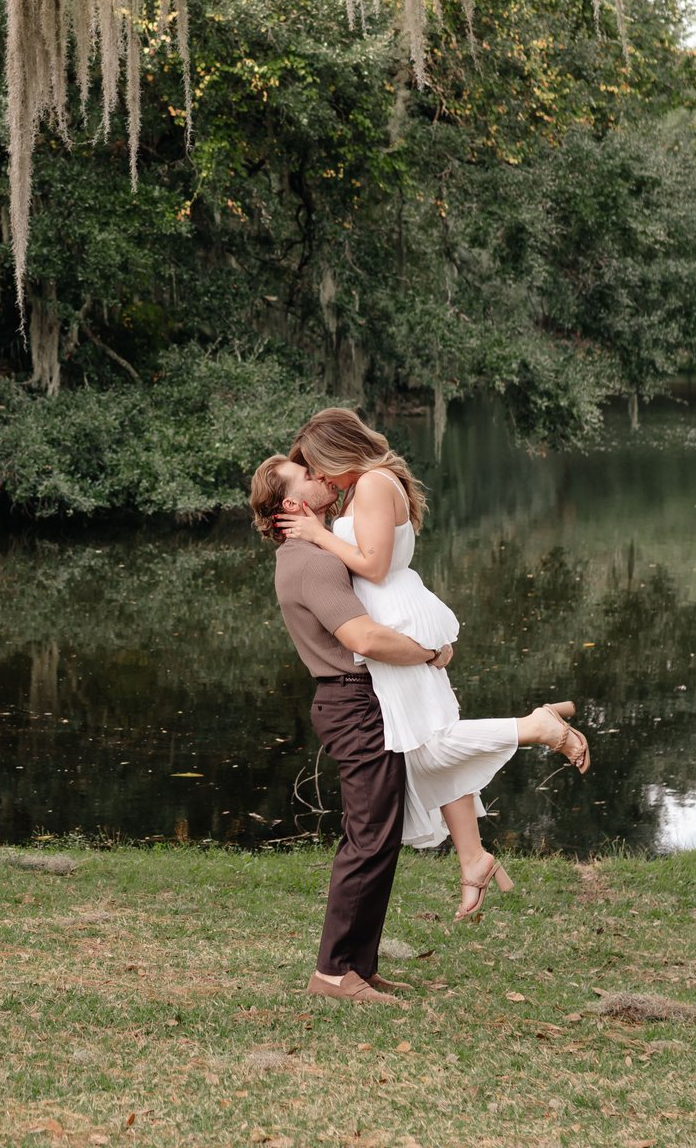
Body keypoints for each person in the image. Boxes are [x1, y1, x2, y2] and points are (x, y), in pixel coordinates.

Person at [272, 408, 591, 921]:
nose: (320, 478)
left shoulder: (374, 483)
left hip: (394, 618)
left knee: (429, 744)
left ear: (338, 450)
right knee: (424, 751)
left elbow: (372, 565)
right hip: (396, 614)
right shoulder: (366, 486)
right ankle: (473, 859)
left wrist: (317, 535)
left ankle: (535, 727)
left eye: (318, 466)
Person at [253, 455, 452, 1005]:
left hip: (364, 702)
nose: (322, 479)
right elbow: (364, 638)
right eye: (309, 479)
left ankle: (358, 965)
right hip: (353, 705)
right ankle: (334, 973)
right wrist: (431, 652)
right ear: (293, 505)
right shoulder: (310, 564)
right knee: (367, 837)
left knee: (378, 836)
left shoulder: (316, 550)